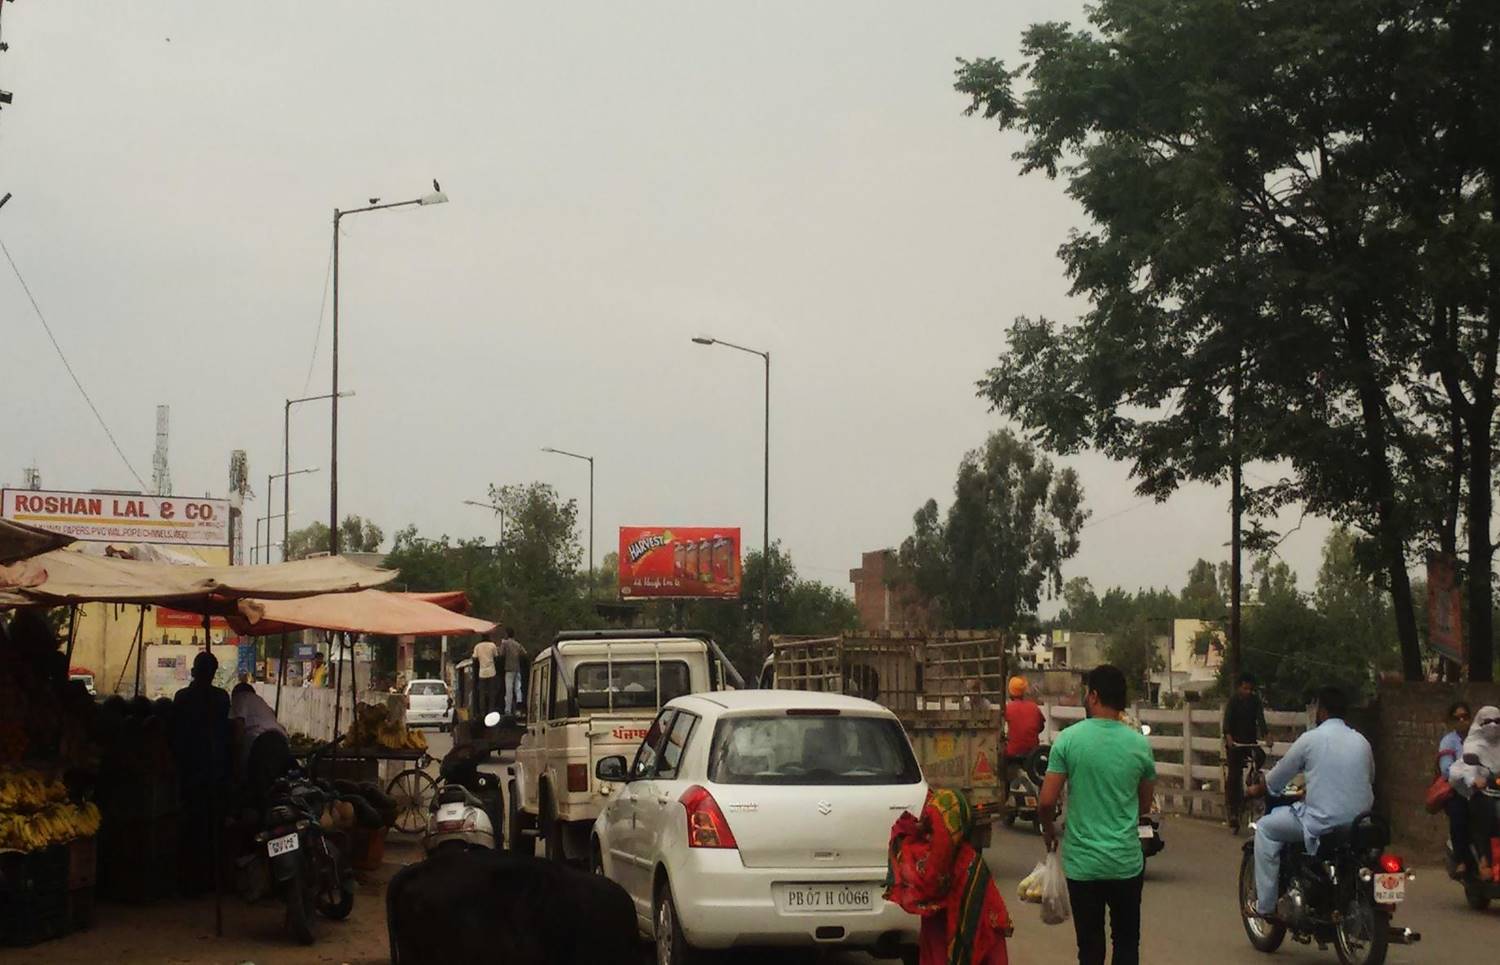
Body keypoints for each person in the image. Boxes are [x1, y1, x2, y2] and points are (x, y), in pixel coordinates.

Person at [1039, 665, 1156, 965]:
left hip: (1083, 866)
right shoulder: (1139, 744)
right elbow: (1145, 805)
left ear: (1093, 696)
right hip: (1126, 862)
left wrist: (1048, 831)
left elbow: (1046, 801)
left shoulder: (1068, 740)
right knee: (1126, 944)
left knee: (1090, 949)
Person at [1246, 685, 1374, 919]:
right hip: (1361, 822)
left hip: (1323, 822)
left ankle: (1265, 906)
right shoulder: (1362, 741)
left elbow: (1278, 776)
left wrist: (1258, 788)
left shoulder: (1311, 739)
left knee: (1265, 828)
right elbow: (1368, 777)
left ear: (1322, 711)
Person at [886, 788, 1012, 964]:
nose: (935, 839)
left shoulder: (930, 866)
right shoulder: (971, 865)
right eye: (931, 828)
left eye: (937, 830)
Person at [171, 650, 231, 896]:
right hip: (211, 768)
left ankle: (191, 880)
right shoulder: (220, 698)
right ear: (213, 673)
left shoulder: (184, 697)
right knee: (209, 828)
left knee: (192, 826)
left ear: (195, 671)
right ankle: (206, 879)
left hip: (193, 768)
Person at [1449, 704, 1500, 881]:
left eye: (1497, 721)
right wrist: (1474, 780)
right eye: (1488, 721)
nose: (1493, 725)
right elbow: (1469, 768)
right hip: (1479, 791)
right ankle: (1484, 860)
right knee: (1484, 812)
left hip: (1497, 788)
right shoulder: (1473, 745)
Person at [230, 682, 291, 810]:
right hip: (281, 741)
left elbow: (238, 728)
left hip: (262, 743)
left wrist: (236, 760)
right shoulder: (261, 702)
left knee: (258, 790)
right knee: (275, 787)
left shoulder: (240, 698)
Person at [1222, 672, 1270, 832]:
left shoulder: (1255, 701)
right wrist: (1229, 738)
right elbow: (1227, 723)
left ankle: (1251, 779)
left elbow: (1261, 720)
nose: (1247, 692)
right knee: (1234, 775)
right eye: (1245, 689)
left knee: (1261, 756)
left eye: (1250, 689)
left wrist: (1267, 736)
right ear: (1239, 688)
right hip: (1235, 744)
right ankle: (1233, 811)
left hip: (1250, 742)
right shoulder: (1233, 701)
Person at [1438, 701, 1473, 876]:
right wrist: (1467, 775)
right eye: (1457, 718)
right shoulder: (1448, 741)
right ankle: (1461, 859)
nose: (1462, 721)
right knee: (1459, 815)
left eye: (1465, 717)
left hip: (1480, 789)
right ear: (1452, 721)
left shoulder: (1477, 739)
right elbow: (1446, 770)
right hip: (1457, 790)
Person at [1004, 676, 1046, 763]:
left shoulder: (1008, 708)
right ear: (1023, 692)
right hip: (1033, 754)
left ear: (1010, 692)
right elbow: (1041, 728)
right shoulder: (1034, 707)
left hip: (1012, 753)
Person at [498, 629, 526, 716]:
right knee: (518, 689)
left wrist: (502, 644)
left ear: (507, 634)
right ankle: (519, 707)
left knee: (509, 690)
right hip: (517, 668)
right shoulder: (517, 644)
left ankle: (508, 709)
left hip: (509, 669)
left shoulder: (505, 643)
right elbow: (524, 653)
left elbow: (501, 654)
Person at [472, 632, 499, 716]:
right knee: (492, 693)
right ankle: (491, 711)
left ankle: (482, 712)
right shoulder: (492, 645)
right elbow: (496, 657)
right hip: (492, 672)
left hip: (482, 673)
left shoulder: (477, 646)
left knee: (482, 694)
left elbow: (474, 659)